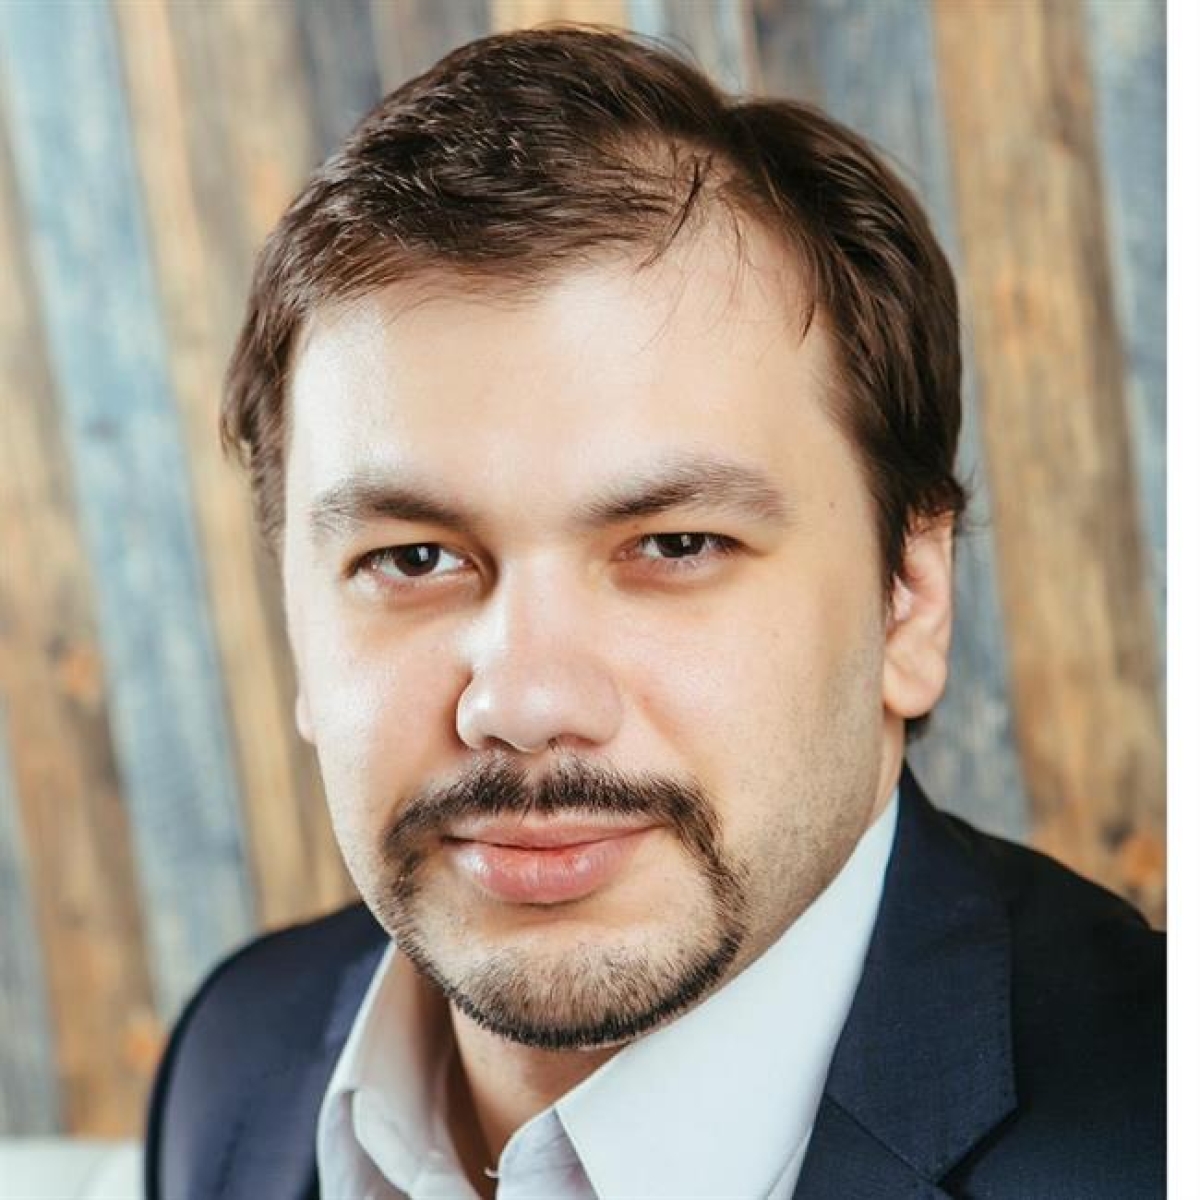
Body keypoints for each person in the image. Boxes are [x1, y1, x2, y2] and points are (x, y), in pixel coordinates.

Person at [144, 25, 1164, 1200]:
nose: (525, 702)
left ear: (910, 601)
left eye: (676, 545)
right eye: (412, 557)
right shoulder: (237, 1058)